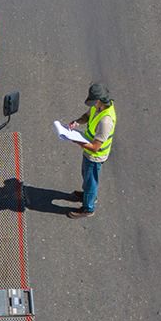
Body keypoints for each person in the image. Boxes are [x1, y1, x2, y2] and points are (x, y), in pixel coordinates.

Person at [66, 83, 117, 219]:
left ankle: (88, 208)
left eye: (93, 101)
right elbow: (87, 116)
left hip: (95, 156)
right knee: (86, 175)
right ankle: (89, 195)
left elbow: (95, 147)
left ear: (99, 101)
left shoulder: (106, 121)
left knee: (90, 181)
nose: (92, 105)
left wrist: (76, 140)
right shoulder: (98, 108)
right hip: (88, 152)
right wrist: (77, 122)